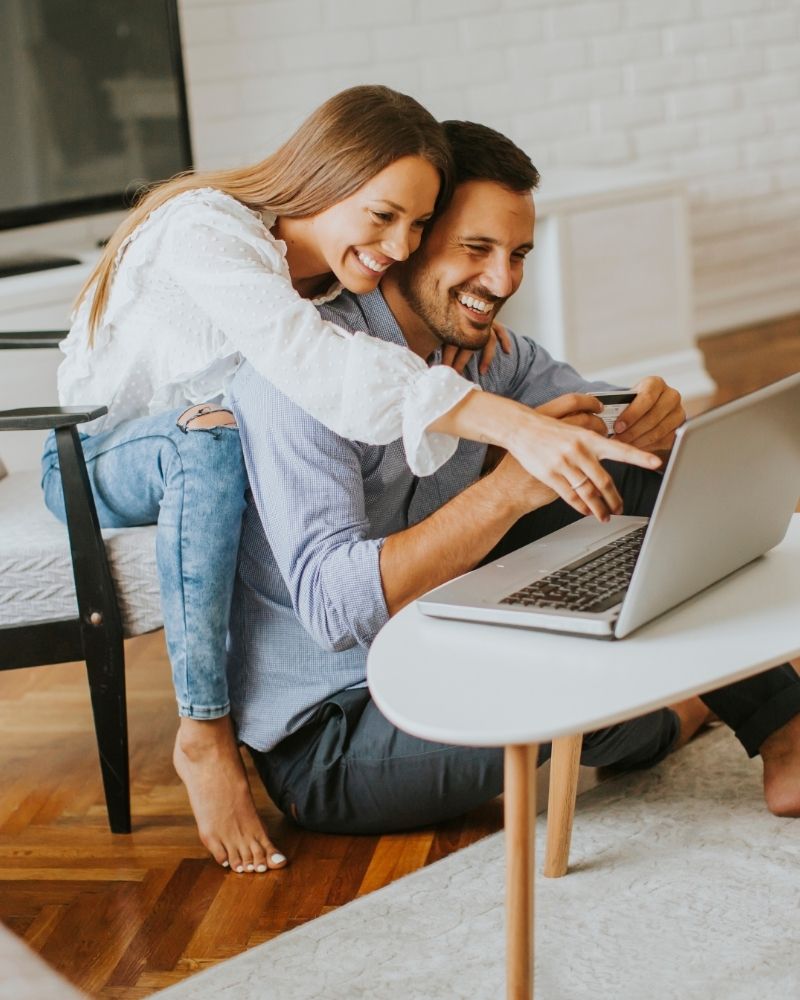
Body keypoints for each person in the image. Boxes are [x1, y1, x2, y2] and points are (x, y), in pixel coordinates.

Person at [42, 86, 661, 874]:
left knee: (615, 494)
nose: (399, 246)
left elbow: (378, 361)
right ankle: (203, 733)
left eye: (414, 226)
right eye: (384, 217)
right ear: (326, 177)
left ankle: (713, 707)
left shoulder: (343, 287)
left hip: (241, 456)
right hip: (98, 450)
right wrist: (502, 430)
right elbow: (312, 363)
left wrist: (628, 412)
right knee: (213, 445)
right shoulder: (210, 235)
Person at [228, 120, 800, 837]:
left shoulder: (492, 354)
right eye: (476, 250)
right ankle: (676, 711)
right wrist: (506, 491)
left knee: (643, 480)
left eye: (518, 253)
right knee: (588, 707)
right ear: (411, 237)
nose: (502, 281)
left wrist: (650, 418)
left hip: (446, 639)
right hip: (340, 729)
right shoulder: (305, 378)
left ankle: (785, 732)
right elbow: (335, 611)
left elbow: (610, 431)